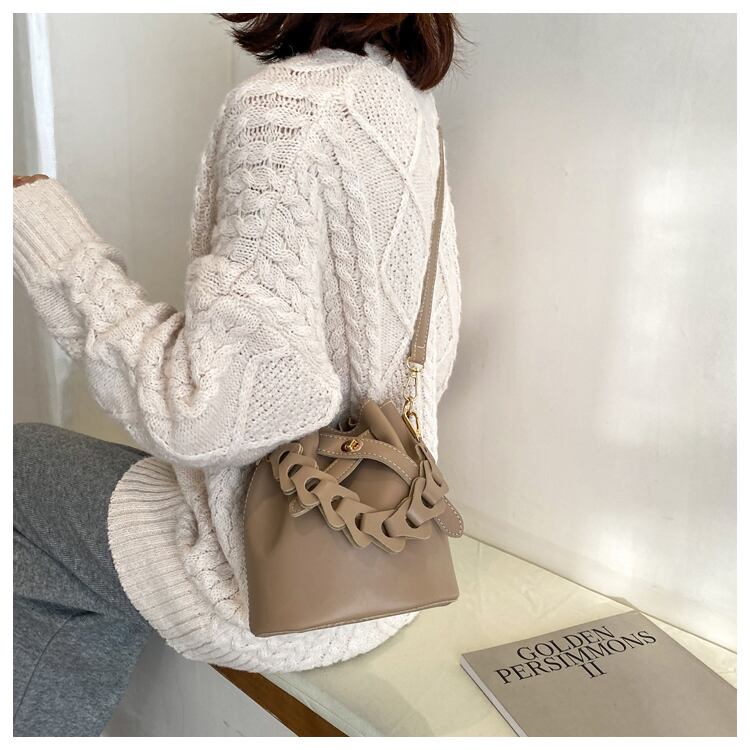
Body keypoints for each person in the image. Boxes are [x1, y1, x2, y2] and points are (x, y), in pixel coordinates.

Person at [13, 13, 464, 736]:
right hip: (392, 551)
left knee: (18, 468)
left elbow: (207, 414)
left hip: (268, 588)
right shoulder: (401, 96)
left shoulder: (284, 112)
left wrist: (44, 232)